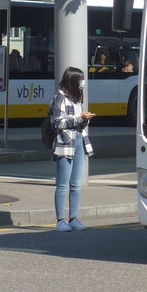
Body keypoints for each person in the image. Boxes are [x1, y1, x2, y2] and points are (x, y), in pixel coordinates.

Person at [50, 66, 95, 232]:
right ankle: (60, 220)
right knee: (63, 184)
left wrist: (84, 119)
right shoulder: (60, 97)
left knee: (76, 183)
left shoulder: (77, 98)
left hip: (79, 141)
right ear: (73, 81)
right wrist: (78, 118)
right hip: (64, 144)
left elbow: (77, 122)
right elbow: (57, 123)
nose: (82, 83)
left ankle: (74, 218)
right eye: (80, 80)